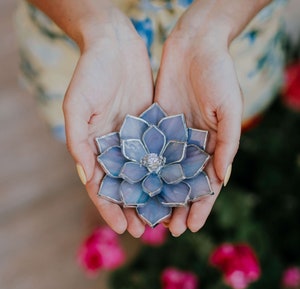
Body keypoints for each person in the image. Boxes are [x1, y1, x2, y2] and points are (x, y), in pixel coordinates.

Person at [15, 0, 286, 237]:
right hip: (79, 24)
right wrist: (96, 27)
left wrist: (215, 22)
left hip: (227, 29)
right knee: (89, 132)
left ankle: (127, 195)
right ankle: (115, 189)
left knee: (222, 122)